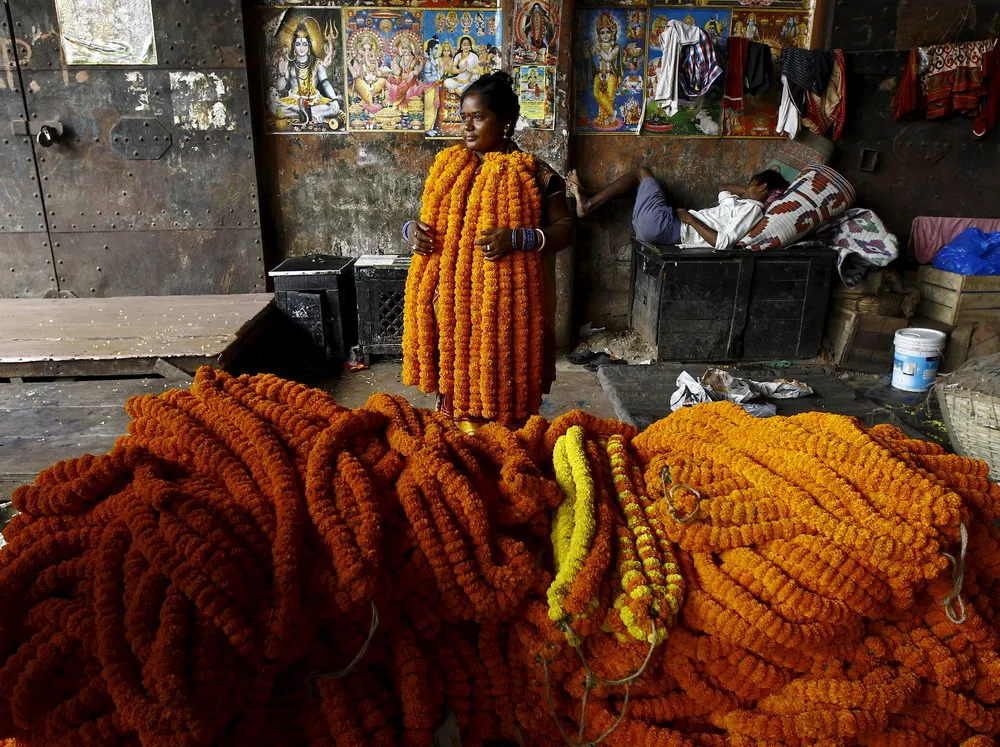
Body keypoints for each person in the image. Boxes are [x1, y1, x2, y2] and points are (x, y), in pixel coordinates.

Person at [402, 72, 574, 430]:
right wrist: (410, 231)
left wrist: (518, 239)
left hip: (507, 312)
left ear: (506, 123)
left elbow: (566, 230)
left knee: (502, 384)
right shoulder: (451, 169)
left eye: (477, 117)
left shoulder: (536, 175)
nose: (467, 127)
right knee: (456, 384)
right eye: (463, 117)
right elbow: (431, 223)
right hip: (452, 307)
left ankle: (505, 444)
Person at [566, 167, 789, 251]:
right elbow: (722, 188)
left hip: (670, 227)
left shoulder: (752, 211)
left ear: (762, 187)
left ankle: (589, 202)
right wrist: (750, 190)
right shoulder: (743, 203)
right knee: (641, 187)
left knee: (641, 174)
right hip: (660, 228)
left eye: (751, 183)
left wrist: (690, 220)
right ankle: (589, 197)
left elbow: (723, 243)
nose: (745, 188)